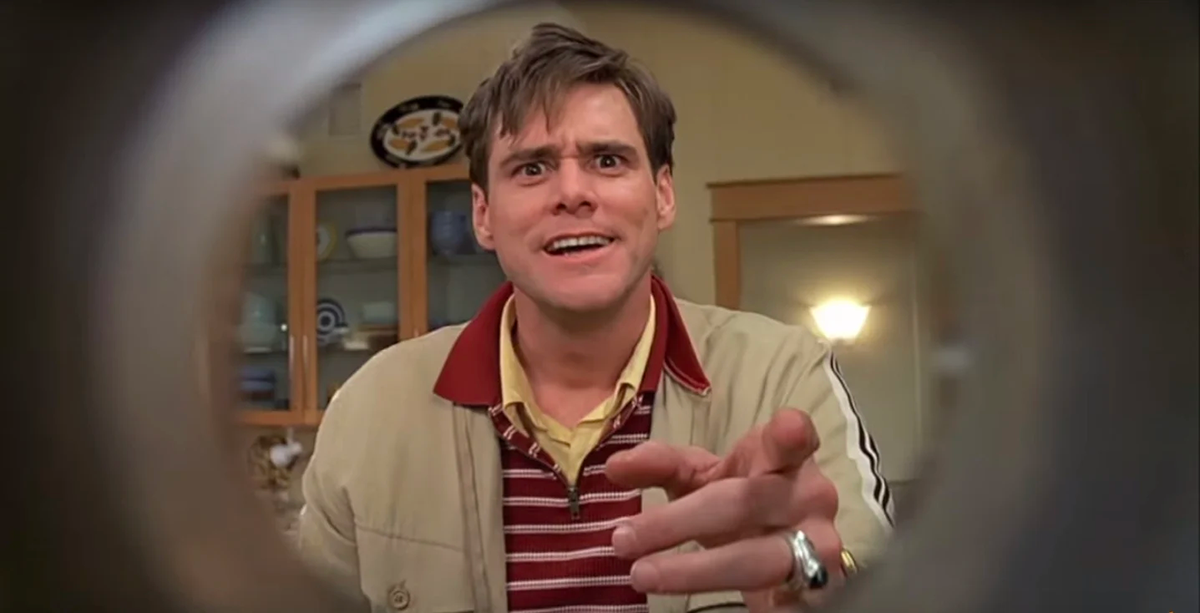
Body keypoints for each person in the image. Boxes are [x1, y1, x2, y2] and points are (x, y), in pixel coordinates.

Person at [297, 23, 893, 613]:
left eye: (607, 160)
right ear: (482, 215)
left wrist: (813, 581)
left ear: (663, 195)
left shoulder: (783, 375)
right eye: (532, 168)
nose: (572, 193)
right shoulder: (371, 409)